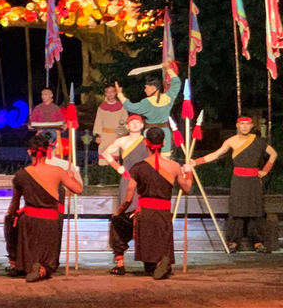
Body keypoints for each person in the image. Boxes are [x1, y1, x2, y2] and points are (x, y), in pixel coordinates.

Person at [190, 116, 278, 253]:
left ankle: (258, 242)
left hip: (254, 180)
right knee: (236, 210)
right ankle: (232, 242)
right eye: (242, 124)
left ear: (251, 125)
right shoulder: (231, 141)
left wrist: (265, 170)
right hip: (238, 180)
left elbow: (273, 154)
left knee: (256, 210)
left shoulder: (258, 141)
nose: (245, 127)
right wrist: (196, 162)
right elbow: (216, 154)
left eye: (247, 124)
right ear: (237, 125)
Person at [116, 127, 192, 280]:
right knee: (162, 240)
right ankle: (162, 261)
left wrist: (120, 211)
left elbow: (128, 197)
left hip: (145, 213)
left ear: (145, 142)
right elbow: (187, 189)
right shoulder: (174, 167)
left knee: (122, 225)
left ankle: (154, 263)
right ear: (163, 143)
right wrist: (189, 171)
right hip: (164, 213)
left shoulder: (137, 168)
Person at [6, 133, 83, 282]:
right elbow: (78, 189)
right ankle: (41, 270)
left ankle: (18, 263)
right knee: (47, 263)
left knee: (11, 222)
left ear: (29, 151)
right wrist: (71, 175)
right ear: (48, 151)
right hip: (49, 222)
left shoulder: (21, 174)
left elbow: (15, 203)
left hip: (28, 222)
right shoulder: (58, 171)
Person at [102, 114, 149, 274]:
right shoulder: (122, 141)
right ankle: (120, 262)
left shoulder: (146, 141)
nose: (135, 124)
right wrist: (118, 168)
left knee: (142, 216)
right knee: (124, 215)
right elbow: (106, 153)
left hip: (143, 181)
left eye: (138, 122)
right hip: (127, 179)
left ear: (142, 125)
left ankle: (148, 260)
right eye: (132, 122)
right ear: (127, 126)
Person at [115, 65, 180, 157]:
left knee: (150, 159)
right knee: (165, 158)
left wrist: (120, 95)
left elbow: (131, 107)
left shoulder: (147, 102)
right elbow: (176, 83)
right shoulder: (168, 98)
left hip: (150, 133)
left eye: (146, 87)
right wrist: (168, 69)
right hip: (165, 133)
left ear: (153, 88)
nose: (145, 90)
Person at [93, 85, 128, 165]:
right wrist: (98, 135)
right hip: (105, 136)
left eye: (112, 91)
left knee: (116, 158)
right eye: (108, 92)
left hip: (117, 136)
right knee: (104, 155)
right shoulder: (101, 108)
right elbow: (98, 121)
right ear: (105, 94)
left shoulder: (121, 107)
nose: (110, 94)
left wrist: (122, 134)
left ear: (115, 93)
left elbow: (125, 120)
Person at [29, 88, 67, 158]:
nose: (43, 96)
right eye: (42, 95)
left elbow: (61, 121)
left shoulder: (56, 108)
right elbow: (33, 121)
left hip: (54, 134)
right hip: (41, 134)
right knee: (40, 154)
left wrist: (63, 126)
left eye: (46, 94)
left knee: (55, 155)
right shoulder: (38, 108)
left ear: (51, 95)